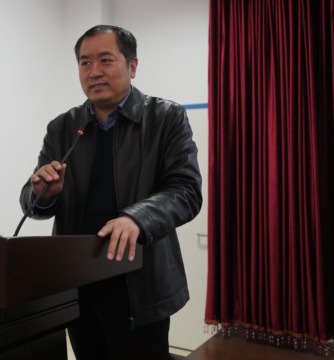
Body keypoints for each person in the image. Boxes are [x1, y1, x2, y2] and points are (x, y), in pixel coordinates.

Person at [19, 25, 202, 359]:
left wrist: (137, 219)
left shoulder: (166, 118)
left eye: (105, 60)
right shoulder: (63, 127)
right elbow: (33, 201)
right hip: (78, 285)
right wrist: (44, 193)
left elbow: (186, 190)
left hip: (140, 286)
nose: (94, 72)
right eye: (85, 63)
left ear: (132, 66)